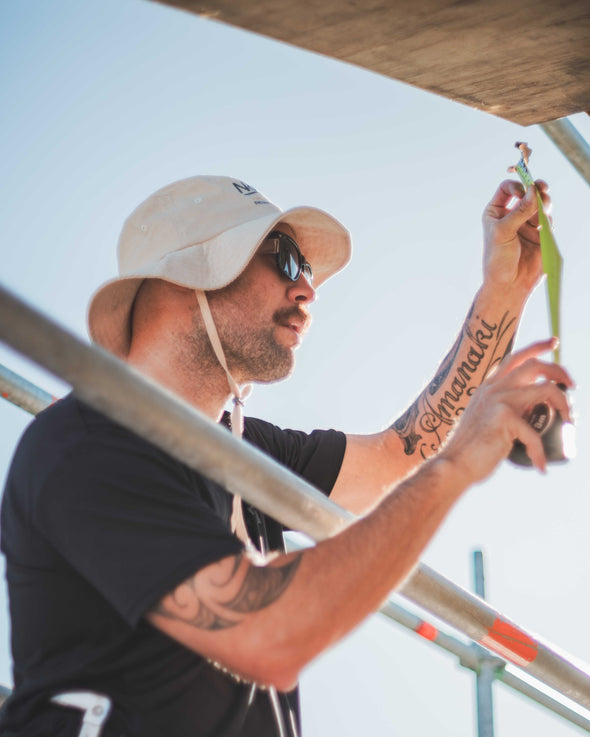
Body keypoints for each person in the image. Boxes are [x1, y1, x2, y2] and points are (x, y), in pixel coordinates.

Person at [0, 175, 572, 737]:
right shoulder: (87, 440)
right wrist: (458, 465)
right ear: (186, 276)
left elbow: (401, 452)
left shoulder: (243, 450)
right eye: (284, 261)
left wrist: (506, 290)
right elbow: (268, 634)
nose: (308, 291)